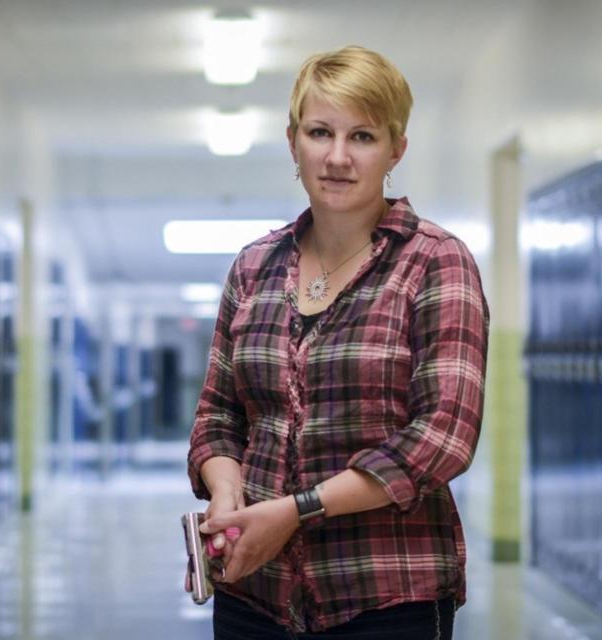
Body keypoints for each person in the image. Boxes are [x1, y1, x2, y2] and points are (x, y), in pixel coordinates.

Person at [187, 45, 489, 640]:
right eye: (320, 132)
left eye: (363, 136)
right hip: (256, 594)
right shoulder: (254, 268)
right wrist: (227, 498)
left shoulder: (435, 262)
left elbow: (442, 437)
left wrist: (296, 511)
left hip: (383, 598)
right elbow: (218, 416)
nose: (338, 157)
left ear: (396, 148)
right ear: (293, 140)